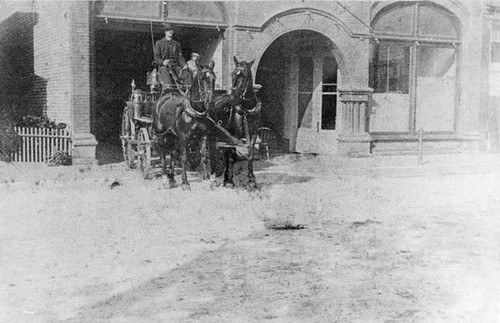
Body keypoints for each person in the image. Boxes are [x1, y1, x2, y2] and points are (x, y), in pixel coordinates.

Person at [152, 23, 187, 89]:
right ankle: (168, 90)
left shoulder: (177, 44)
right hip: (164, 66)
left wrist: (184, 65)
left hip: (175, 66)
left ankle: (188, 94)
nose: (170, 32)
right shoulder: (159, 43)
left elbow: (180, 57)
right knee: (165, 74)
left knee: (186, 74)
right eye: (168, 30)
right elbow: (156, 57)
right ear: (165, 32)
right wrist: (162, 62)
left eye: (171, 30)